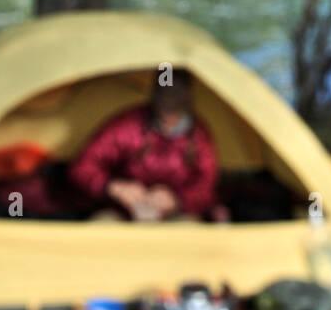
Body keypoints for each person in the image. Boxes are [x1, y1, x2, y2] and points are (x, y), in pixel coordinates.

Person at [68, 69, 220, 221]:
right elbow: (83, 166)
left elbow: (207, 187)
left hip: (176, 215)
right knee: (102, 226)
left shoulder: (198, 136)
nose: (170, 98)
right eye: (164, 90)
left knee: (188, 230)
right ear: (155, 92)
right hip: (123, 213)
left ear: (187, 94)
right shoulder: (129, 125)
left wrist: (177, 200)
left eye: (176, 91)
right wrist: (114, 187)